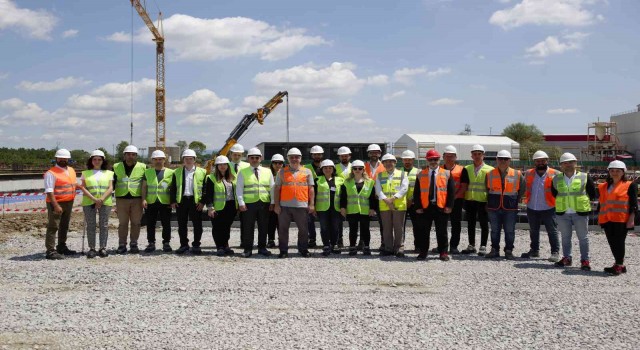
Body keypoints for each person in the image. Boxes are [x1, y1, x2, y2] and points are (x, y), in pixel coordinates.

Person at [551, 152, 597, 270]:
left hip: (580, 213)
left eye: (570, 162)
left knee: (583, 238)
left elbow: (592, 193)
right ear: (561, 165)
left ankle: (585, 260)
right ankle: (567, 258)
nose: (568, 165)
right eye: (565, 163)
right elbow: (554, 193)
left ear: (575, 163)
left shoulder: (584, 177)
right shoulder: (556, 178)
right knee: (565, 237)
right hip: (563, 213)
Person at [413, 149, 455, 261]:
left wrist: (449, 206)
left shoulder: (447, 173)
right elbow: (416, 193)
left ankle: (443, 253)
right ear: (427, 160)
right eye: (431, 159)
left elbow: (451, 192)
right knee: (423, 232)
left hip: (441, 207)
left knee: (442, 232)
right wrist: (418, 207)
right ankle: (423, 252)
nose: (433, 161)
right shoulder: (421, 174)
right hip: (425, 208)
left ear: (439, 160)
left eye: (435, 159)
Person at [273, 148, 315, 258]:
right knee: (282, 230)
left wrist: (311, 204)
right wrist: (277, 205)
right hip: (284, 206)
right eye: (291, 157)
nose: (294, 159)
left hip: (301, 205)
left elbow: (311, 189)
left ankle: (303, 249)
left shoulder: (307, 172)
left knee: (303, 229)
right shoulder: (281, 172)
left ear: (300, 158)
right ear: (287, 159)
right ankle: (283, 251)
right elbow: (277, 189)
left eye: (297, 157)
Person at [598, 160, 637, 275]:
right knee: (612, 242)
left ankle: (619, 264)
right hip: (606, 219)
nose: (614, 173)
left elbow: (634, 204)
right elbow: (601, 202)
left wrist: (631, 219)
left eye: (617, 171)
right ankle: (619, 264)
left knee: (619, 242)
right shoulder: (603, 186)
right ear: (609, 172)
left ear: (623, 172)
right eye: (612, 170)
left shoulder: (630, 185)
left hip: (621, 219)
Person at [484, 150, 525, 259]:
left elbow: (522, 190)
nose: (503, 161)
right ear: (497, 160)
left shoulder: (517, 174)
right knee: (494, 230)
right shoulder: (489, 174)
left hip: (510, 207)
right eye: (500, 159)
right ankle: (494, 250)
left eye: (505, 159)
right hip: (494, 207)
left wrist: (514, 199)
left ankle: (509, 250)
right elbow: (487, 189)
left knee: (510, 231)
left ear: (509, 160)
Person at [522, 150, 560, 262]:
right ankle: (534, 250)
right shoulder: (529, 173)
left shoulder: (555, 174)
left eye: (542, 160)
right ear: (534, 162)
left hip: (549, 207)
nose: (540, 163)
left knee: (552, 230)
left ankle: (555, 252)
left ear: (547, 161)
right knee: (533, 230)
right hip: (532, 206)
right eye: (538, 161)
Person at [237, 148, 274, 257]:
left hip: (264, 203)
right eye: (252, 158)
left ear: (260, 158)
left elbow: (272, 188)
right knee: (248, 227)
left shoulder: (267, 171)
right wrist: (241, 203)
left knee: (263, 227)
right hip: (249, 204)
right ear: (248, 159)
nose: (254, 160)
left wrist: (273, 202)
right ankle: (248, 249)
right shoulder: (243, 172)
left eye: (256, 158)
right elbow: (239, 189)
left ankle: (262, 248)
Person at [170, 149, 206, 255]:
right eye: (186, 159)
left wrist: (202, 202)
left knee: (197, 225)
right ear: (183, 160)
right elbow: (173, 188)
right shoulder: (177, 172)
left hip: (195, 202)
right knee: (182, 225)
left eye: (191, 159)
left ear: (194, 160)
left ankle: (196, 245)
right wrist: (173, 201)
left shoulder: (202, 172)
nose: (189, 161)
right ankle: (184, 245)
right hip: (182, 202)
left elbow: (205, 189)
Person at [459, 144, 493, 256]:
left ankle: (483, 246)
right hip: (470, 200)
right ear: (471, 156)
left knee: (484, 224)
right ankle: (471, 245)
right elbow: (464, 185)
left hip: (483, 201)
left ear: (483, 155)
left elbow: (491, 188)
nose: (477, 156)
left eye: (479, 154)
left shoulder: (490, 170)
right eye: (475, 154)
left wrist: (489, 201)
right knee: (471, 224)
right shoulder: (467, 169)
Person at [79, 150, 113, 258]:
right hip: (89, 202)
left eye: (99, 159)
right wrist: (94, 199)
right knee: (91, 225)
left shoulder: (109, 173)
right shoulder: (85, 173)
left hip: (105, 202)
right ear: (91, 160)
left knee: (104, 225)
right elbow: (83, 187)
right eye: (94, 159)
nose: (97, 161)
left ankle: (102, 247)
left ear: (103, 161)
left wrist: (101, 199)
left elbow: (111, 187)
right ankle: (92, 248)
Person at [44, 149, 77, 259]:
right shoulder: (51, 173)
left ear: (68, 159)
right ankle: (50, 251)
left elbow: (73, 184)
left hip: (69, 201)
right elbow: (49, 191)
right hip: (56, 203)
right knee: (53, 226)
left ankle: (61, 247)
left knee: (64, 226)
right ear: (56, 159)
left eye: (65, 158)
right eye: (60, 158)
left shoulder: (71, 170)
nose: (63, 160)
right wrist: (56, 205)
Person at [113, 145, 146, 254]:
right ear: (124, 155)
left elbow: (145, 184)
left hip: (137, 199)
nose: (130, 156)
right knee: (123, 223)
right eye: (128, 154)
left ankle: (134, 243)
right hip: (121, 199)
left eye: (133, 154)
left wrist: (144, 199)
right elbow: (112, 184)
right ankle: (122, 244)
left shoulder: (143, 167)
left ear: (136, 156)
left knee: (136, 223)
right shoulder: (116, 166)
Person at [340, 160, 377, 256]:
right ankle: (352, 247)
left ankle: (366, 247)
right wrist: (343, 208)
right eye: (355, 168)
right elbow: (343, 196)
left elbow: (372, 197)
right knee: (353, 229)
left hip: (365, 210)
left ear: (363, 170)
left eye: (360, 168)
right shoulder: (346, 182)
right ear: (352, 170)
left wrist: (372, 208)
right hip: (352, 210)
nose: (357, 170)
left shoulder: (370, 182)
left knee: (365, 229)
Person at [375, 153, 409, 258]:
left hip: (398, 205)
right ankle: (388, 248)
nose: (388, 164)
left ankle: (399, 248)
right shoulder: (380, 176)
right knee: (387, 228)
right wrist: (386, 200)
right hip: (385, 206)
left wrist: (393, 199)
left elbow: (404, 188)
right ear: (383, 164)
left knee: (398, 228)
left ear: (395, 163)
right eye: (386, 162)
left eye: (391, 161)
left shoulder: (403, 174)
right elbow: (378, 190)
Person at [203, 156, 237, 257]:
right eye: (220, 165)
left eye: (224, 164)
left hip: (230, 206)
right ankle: (219, 247)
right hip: (217, 208)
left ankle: (226, 245)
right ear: (217, 166)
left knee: (227, 227)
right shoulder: (211, 178)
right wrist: (210, 208)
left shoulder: (232, 178)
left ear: (228, 165)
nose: (222, 166)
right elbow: (207, 194)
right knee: (217, 228)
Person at [141, 150, 174, 253]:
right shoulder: (147, 172)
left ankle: (166, 243)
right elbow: (144, 187)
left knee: (166, 224)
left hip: (165, 202)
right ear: (152, 160)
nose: (158, 161)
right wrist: (143, 199)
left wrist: (172, 201)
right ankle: (151, 243)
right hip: (151, 202)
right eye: (155, 159)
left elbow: (174, 188)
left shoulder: (171, 172)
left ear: (164, 160)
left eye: (160, 159)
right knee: (150, 224)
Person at [315, 159, 344, 256]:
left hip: (336, 208)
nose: (328, 170)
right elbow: (314, 195)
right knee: (324, 227)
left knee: (335, 227)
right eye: (325, 168)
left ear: (333, 169)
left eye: (330, 168)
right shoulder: (317, 180)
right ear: (322, 169)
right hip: (322, 208)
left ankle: (334, 244)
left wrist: (343, 207)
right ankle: (326, 245)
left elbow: (344, 195)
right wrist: (313, 207)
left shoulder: (340, 180)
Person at [441, 145, 465, 255]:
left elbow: (464, 187)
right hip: (441, 201)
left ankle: (454, 246)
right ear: (443, 157)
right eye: (447, 156)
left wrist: (452, 199)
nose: (449, 158)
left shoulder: (461, 170)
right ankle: (442, 246)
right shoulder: (439, 169)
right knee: (441, 224)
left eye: (452, 156)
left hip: (457, 201)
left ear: (456, 157)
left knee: (456, 224)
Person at [365, 143, 386, 249]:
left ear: (380, 154)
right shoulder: (363, 166)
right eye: (372, 152)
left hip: (380, 198)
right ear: (368, 154)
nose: (374, 154)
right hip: (365, 198)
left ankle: (384, 242)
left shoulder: (384, 166)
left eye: (376, 152)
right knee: (364, 222)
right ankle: (363, 243)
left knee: (383, 222)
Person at [304, 145, 324, 248]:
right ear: (312, 155)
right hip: (310, 197)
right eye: (315, 154)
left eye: (319, 154)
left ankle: (326, 240)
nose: (317, 156)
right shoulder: (306, 167)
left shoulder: (327, 166)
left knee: (324, 221)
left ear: (322, 155)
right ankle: (312, 239)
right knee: (309, 220)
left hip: (324, 198)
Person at [399, 150, 419, 250]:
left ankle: (418, 246)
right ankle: (400, 245)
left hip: (414, 203)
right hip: (401, 203)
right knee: (400, 226)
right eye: (405, 159)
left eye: (409, 160)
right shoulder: (398, 173)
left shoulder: (418, 172)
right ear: (402, 160)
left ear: (413, 160)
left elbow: (419, 189)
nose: (407, 161)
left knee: (417, 225)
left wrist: (411, 199)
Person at [267, 154, 285, 248]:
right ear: (272, 163)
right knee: (271, 222)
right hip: (271, 202)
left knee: (281, 222)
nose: (278, 165)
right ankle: (270, 239)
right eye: (275, 163)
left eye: (280, 163)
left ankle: (281, 240)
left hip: (283, 202)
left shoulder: (286, 174)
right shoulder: (267, 174)